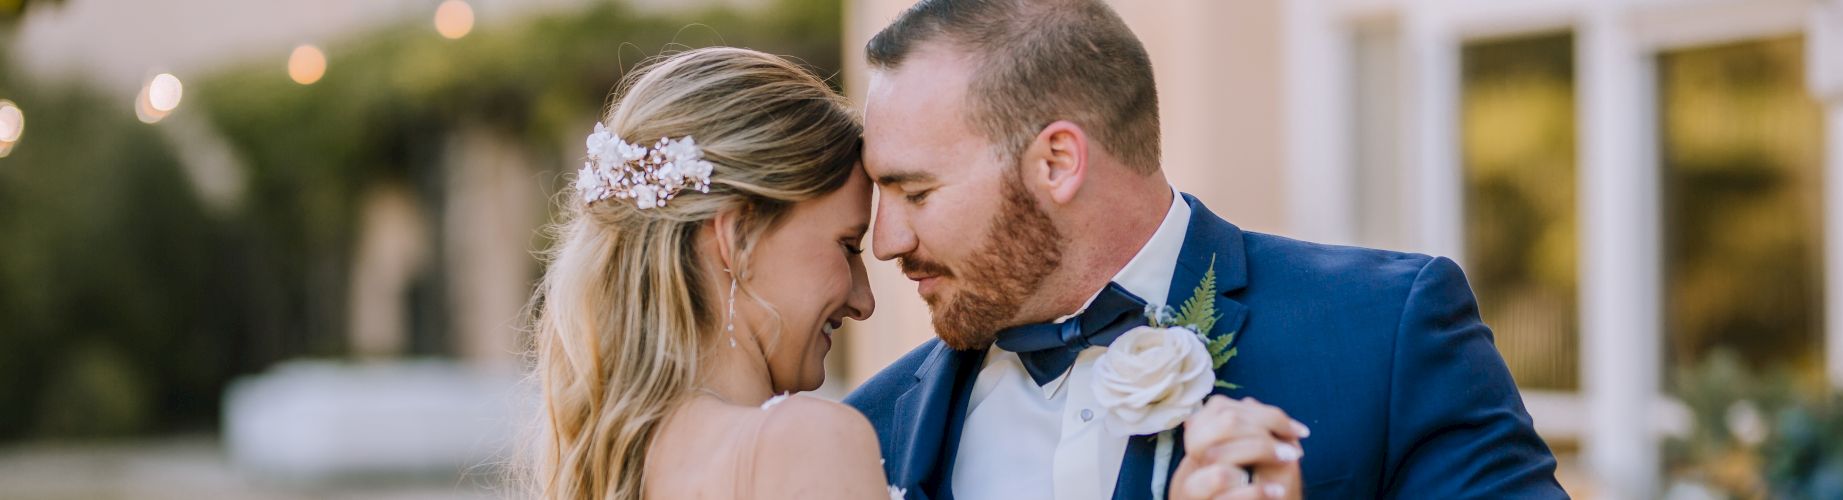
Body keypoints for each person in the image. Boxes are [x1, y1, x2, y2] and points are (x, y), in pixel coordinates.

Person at [842, 0, 1570, 499]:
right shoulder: (866, 432)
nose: (886, 241)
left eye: (915, 192)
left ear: (1057, 161)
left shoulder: (1385, 333)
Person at [527, 47, 893, 500]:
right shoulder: (800, 446)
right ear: (740, 235)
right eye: (848, 246)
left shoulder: (603, 473)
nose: (864, 300)